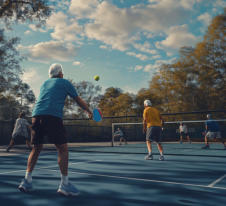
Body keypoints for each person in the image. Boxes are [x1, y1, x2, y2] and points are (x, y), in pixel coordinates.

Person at [18, 63, 92, 196]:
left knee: (36, 148)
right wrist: (89, 111)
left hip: (36, 116)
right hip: (52, 117)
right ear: (61, 74)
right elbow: (78, 99)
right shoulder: (64, 82)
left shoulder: (44, 83)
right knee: (62, 149)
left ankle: (26, 181)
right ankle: (64, 184)